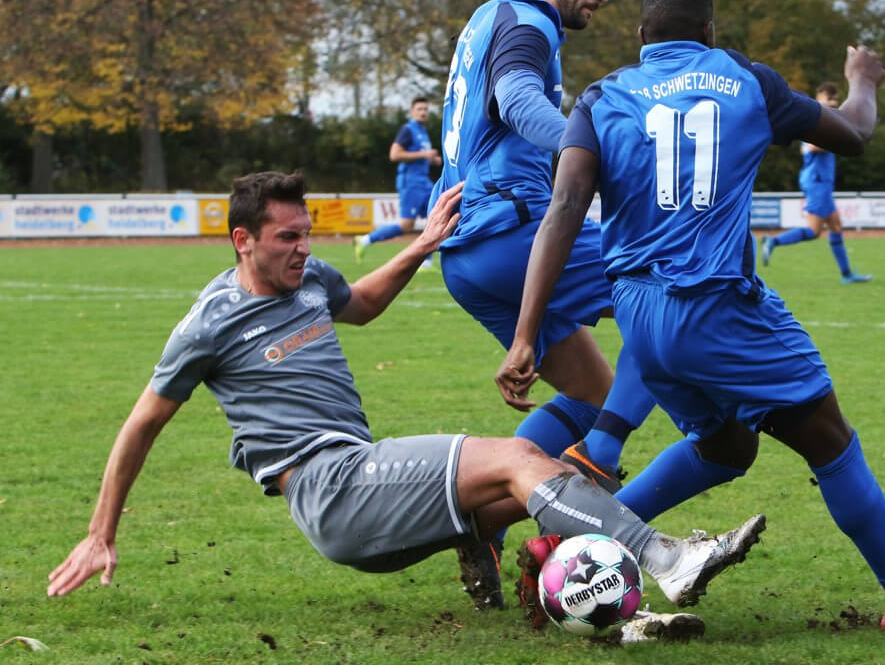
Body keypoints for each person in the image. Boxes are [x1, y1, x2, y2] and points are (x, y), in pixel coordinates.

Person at [46, 170, 766, 642]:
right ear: (242, 241)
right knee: (520, 461)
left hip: (361, 488)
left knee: (555, 474)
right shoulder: (208, 323)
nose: (304, 247)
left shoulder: (310, 280)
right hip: (333, 487)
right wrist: (102, 532)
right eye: (286, 238)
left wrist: (421, 246)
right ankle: (665, 556)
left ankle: (612, 613)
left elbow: (357, 304)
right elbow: (141, 423)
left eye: (308, 232)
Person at [496, 0, 885, 630]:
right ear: (711, 32)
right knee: (832, 445)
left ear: (641, 38)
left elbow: (565, 209)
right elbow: (856, 132)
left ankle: (575, 544)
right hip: (720, 310)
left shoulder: (601, 97)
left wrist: (525, 335)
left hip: (639, 318)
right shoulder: (747, 79)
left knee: (726, 447)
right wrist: (862, 79)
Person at [428, 0, 658, 612]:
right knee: (674, 298)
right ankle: (592, 477)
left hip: (468, 256)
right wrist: (586, 150)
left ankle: (483, 520)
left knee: (593, 393)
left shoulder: (487, 18)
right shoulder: (529, 22)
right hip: (514, 236)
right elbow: (518, 99)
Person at [760, 82, 872, 283]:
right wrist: (840, 141)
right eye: (829, 98)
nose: (833, 102)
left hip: (822, 184)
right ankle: (773, 241)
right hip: (817, 182)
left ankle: (847, 275)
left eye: (835, 99)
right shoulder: (818, 124)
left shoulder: (828, 123)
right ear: (819, 99)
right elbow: (809, 148)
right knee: (813, 231)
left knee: (836, 226)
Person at [355, 97, 442, 269]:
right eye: (419, 109)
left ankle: (426, 263)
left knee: (436, 216)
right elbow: (394, 155)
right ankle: (364, 240)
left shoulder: (422, 132)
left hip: (424, 182)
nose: (423, 112)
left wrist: (432, 160)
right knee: (406, 225)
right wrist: (424, 155)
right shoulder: (407, 130)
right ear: (411, 112)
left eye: (426, 109)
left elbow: (419, 156)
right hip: (410, 183)